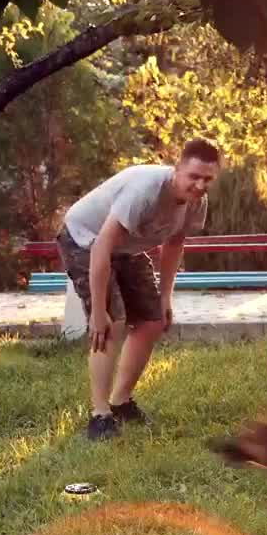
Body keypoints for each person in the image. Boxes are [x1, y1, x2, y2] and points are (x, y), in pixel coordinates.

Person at [57, 138, 221, 441]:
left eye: (207, 179)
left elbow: (174, 244)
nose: (199, 185)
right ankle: (100, 416)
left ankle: (121, 402)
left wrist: (165, 296)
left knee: (153, 319)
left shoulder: (197, 203)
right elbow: (102, 246)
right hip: (85, 239)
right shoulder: (146, 189)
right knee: (111, 324)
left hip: (126, 247)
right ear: (177, 169)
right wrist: (98, 310)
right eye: (193, 176)